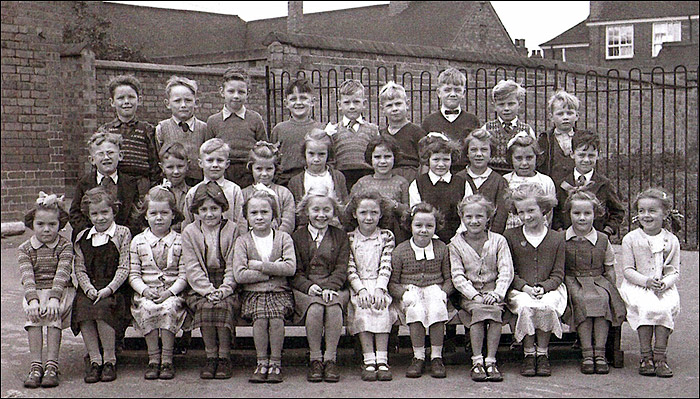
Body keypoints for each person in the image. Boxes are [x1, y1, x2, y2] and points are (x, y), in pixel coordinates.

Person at [233, 191, 296, 384]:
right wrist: (274, 270)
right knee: (260, 318)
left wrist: (260, 266)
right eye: (254, 213)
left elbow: (290, 268)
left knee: (276, 318)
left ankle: (275, 362)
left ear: (273, 215)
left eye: (264, 212)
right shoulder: (243, 241)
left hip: (279, 292)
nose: (259, 217)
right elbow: (240, 274)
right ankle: (261, 362)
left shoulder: (283, 238)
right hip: (253, 294)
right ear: (247, 217)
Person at [618, 188, 682, 378]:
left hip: (663, 287)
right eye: (641, 210)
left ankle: (660, 356)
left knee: (664, 308)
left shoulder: (671, 240)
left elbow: (674, 270)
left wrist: (665, 283)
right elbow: (628, 270)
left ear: (664, 213)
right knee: (646, 307)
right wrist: (646, 281)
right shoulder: (631, 239)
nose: (646, 215)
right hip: (637, 286)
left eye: (652, 211)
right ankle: (645, 356)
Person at [449, 194, 513, 382]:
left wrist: (497, 293)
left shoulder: (499, 241)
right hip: (470, 294)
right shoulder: (455, 244)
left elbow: (506, 270)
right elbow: (458, 276)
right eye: (469, 217)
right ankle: (477, 361)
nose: (474, 221)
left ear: (488, 218)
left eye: (479, 216)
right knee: (478, 312)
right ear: (462, 217)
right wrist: (474, 295)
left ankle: (491, 360)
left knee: (493, 311)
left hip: (494, 292)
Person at [504, 183, 565, 378]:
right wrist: (526, 287)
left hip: (551, 289)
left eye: (531, 210)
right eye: (520, 212)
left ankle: (543, 353)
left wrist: (544, 287)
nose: (526, 216)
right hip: (520, 289)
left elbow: (558, 274)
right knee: (525, 306)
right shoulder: (510, 236)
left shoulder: (557, 238)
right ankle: (529, 353)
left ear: (544, 209)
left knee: (547, 305)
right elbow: (509, 271)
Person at [562, 189, 626, 375]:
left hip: (598, 280)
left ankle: (600, 352)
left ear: (595, 214)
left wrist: (612, 289)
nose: (582, 218)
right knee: (582, 300)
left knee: (603, 300)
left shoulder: (603, 240)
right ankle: (587, 352)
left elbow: (610, 268)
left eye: (587, 213)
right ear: (569, 214)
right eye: (577, 213)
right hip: (572, 280)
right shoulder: (562, 239)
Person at [72, 187, 132, 383]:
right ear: (88, 215)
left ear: (114, 211)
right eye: (95, 214)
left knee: (104, 307)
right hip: (90, 287)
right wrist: (88, 288)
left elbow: (124, 267)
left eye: (105, 212)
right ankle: (95, 360)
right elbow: (79, 269)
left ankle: (109, 359)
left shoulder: (122, 233)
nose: (100, 218)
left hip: (114, 287)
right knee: (83, 306)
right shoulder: (83, 238)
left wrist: (109, 289)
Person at [129, 186, 189, 380]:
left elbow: (184, 275)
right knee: (147, 308)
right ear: (145, 216)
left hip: (172, 293)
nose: (159, 218)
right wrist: (144, 291)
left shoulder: (180, 241)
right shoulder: (138, 241)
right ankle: (153, 358)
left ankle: (167, 359)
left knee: (169, 308)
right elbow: (134, 274)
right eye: (153, 213)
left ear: (173, 215)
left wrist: (170, 292)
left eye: (165, 213)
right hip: (146, 293)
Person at [181, 182, 239, 380]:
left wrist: (225, 289)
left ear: (222, 208)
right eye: (203, 209)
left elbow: (234, 263)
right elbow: (192, 267)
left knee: (222, 306)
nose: (209, 214)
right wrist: (206, 290)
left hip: (227, 283)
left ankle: (224, 357)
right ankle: (211, 355)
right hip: (201, 285)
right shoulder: (189, 232)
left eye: (214, 208)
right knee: (206, 307)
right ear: (196, 211)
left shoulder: (233, 229)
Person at [388, 202, 454, 379]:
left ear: (436, 227)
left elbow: (449, 279)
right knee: (415, 311)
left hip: (435, 288)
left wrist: (444, 292)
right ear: (410, 226)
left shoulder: (442, 248)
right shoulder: (400, 251)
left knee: (437, 309)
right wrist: (403, 294)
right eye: (418, 225)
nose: (423, 230)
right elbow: (392, 282)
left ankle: (436, 357)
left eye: (429, 226)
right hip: (410, 290)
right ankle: (418, 357)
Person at [291, 190, 350, 383]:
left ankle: (330, 359)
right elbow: (295, 271)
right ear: (306, 211)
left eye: (327, 209)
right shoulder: (297, 236)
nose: (321, 215)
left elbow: (342, 267)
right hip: (306, 289)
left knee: (333, 306)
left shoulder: (340, 236)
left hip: (334, 286)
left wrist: (331, 287)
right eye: (315, 209)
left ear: (334, 212)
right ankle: (315, 358)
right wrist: (308, 287)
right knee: (315, 308)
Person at [18, 193, 75, 388]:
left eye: (52, 224)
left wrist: (53, 299)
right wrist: (32, 300)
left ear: (60, 224)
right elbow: (27, 278)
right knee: (33, 316)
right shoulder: (25, 249)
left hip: (59, 291)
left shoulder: (65, 246)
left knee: (52, 314)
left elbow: (62, 274)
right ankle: (36, 366)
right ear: (32, 224)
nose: (46, 229)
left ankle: (52, 365)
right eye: (40, 224)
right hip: (34, 291)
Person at [344, 192, 398, 382]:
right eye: (363, 212)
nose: (369, 217)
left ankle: (382, 359)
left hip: (380, 283)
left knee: (381, 307)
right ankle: (368, 360)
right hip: (358, 285)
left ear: (381, 214)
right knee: (362, 309)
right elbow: (349, 267)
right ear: (354, 214)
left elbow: (386, 264)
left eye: (374, 212)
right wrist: (361, 290)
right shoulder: (349, 238)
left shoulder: (386, 236)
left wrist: (379, 289)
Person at [69, 132, 139, 241]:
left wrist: (122, 234)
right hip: (91, 238)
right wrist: (92, 232)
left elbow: (135, 215)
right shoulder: (84, 182)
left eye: (110, 153)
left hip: (122, 239)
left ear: (120, 156)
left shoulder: (130, 183)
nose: (106, 157)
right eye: (101, 154)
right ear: (92, 159)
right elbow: (75, 214)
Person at [552, 131, 625, 237]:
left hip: (595, 241)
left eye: (591, 155)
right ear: (572, 154)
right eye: (581, 155)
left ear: (598, 155)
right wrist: (560, 231)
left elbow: (618, 212)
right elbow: (555, 212)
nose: (586, 160)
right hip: (567, 240)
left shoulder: (604, 185)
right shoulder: (562, 184)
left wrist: (606, 232)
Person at [98, 74, 160, 197]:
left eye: (131, 97)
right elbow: (98, 163)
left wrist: (152, 189)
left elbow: (155, 165)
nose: (126, 102)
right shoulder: (105, 130)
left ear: (139, 100)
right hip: (114, 185)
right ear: (112, 102)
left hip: (141, 186)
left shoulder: (147, 130)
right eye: (121, 98)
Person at [204, 68, 267, 188]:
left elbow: (263, 148)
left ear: (248, 93)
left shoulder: (255, 118)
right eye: (231, 91)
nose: (236, 96)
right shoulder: (213, 121)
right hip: (223, 170)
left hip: (248, 171)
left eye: (241, 92)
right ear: (222, 92)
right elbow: (209, 151)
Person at [350, 135, 410, 243]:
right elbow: (350, 210)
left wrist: (395, 206)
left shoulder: (402, 182)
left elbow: (408, 212)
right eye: (377, 157)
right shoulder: (362, 183)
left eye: (387, 157)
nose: (382, 161)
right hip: (365, 235)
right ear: (370, 158)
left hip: (395, 235)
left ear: (394, 158)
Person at [420, 68, 480, 174]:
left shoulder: (472, 120)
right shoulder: (429, 121)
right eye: (447, 90)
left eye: (457, 90)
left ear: (464, 93)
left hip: (465, 173)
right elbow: (424, 155)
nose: (452, 94)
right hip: (437, 172)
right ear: (438, 92)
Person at [408, 133, 464, 243]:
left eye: (446, 160)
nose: (441, 164)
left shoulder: (461, 183)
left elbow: (466, 212)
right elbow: (416, 213)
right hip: (428, 238)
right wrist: (432, 237)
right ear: (428, 160)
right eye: (436, 159)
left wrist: (458, 236)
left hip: (458, 238)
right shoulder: (418, 184)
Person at [287, 129, 349, 228]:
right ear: (304, 153)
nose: (316, 159)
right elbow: (295, 213)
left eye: (321, 154)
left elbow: (344, 206)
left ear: (328, 154)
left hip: (334, 229)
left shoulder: (338, 177)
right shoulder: (295, 181)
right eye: (311, 154)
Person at [327, 79, 380, 192]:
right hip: (342, 176)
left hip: (367, 175)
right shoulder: (333, 130)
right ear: (339, 105)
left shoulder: (373, 129)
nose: (352, 106)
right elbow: (331, 158)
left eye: (356, 102)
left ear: (364, 104)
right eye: (347, 102)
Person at [182, 138, 245, 232]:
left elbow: (241, 223)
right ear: (200, 163)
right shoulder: (193, 192)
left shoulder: (234, 190)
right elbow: (187, 224)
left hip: (229, 243)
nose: (215, 165)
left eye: (219, 160)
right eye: (210, 160)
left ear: (227, 164)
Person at [270, 78, 324, 186]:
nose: (298, 103)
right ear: (286, 103)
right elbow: (273, 159)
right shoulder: (279, 129)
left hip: (314, 179)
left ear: (312, 102)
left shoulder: (320, 129)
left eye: (303, 98)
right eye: (293, 99)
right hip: (285, 181)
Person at [155, 75, 207, 187]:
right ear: (168, 103)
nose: (183, 105)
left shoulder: (204, 128)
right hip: (171, 183)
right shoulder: (162, 129)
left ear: (196, 102)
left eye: (188, 100)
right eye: (177, 101)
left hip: (198, 184)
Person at [455, 128, 509, 234]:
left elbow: (501, 216)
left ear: (491, 153)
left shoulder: (499, 181)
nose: (479, 154)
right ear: (467, 153)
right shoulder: (458, 179)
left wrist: (490, 238)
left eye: (484, 150)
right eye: (474, 150)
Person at [502, 133, 556, 230]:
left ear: (537, 157)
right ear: (511, 158)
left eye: (529, 158)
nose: (524, 163)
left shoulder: (545, 181)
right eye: (518, 158)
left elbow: (549, 214)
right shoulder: (505, 180)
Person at [482, 79, 536, 175]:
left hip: (518, 175)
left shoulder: (527, 130)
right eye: (501, 104)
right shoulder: (487, 129)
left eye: (511, 104)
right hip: (493, 175)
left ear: (519, 104)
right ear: (494, 106)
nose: (506, 108)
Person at [241, 141, 296, 235]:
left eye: (269, 169)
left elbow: (288, 222)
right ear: (251, 168)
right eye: (259, 169)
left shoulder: (284, 193)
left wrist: (275, 239)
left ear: (275, 168)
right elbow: (241, 222)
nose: (264, 174)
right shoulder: (243, 194)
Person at [378, 81, 426, 183]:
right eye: (389, 106)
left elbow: (425, 161)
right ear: (383, 109)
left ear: (407, 104)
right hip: (386, 177)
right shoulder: (381, 134)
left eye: (398, 104)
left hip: (410, 177)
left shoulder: (416, 132)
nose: (394, 109)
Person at [537, 90, 580, 185]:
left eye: (569, 113)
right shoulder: (545, 139)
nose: (565, 117)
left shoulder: (582, 138)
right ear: (551, 117)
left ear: (577, 116)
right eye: (560, 114)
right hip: (552, 187)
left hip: (576, 188)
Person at [158, 142, 191, 234]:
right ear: (162, 167)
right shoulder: (156, 194)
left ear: (187, 165)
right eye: (170, 167)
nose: (176, 171)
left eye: (180, 166)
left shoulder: (192, 193)